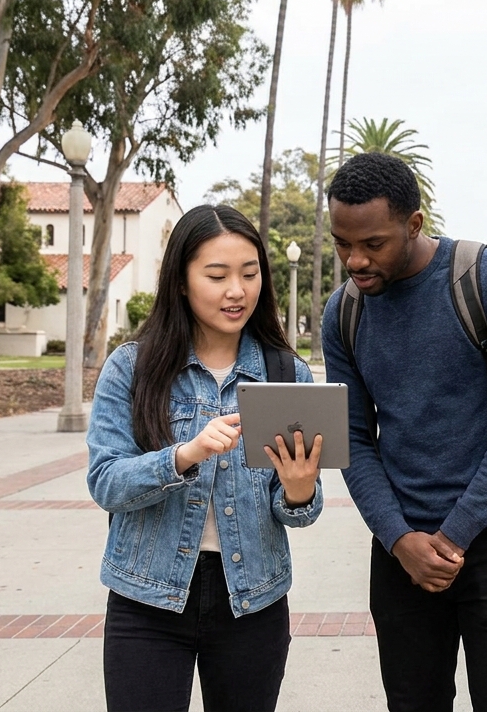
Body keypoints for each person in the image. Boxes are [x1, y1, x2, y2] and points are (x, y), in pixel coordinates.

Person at [321, 152, 487, 712]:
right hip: (401, 547)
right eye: (341, 243)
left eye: (372, 244)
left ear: (415, 225)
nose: (355, 260)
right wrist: (401, 541)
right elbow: (353, 437)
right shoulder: (343, 314)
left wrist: (452, 538)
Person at [86, 205, 323, 712]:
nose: (236, 290)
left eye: (249, 273)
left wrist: (300, 489)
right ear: (180, 281)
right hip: (146, 599)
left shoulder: (285, 372)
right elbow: (106, 481)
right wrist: (184, 455)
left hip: (252, 600)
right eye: (217, 275)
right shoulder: (132, 368)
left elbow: (298, 506)